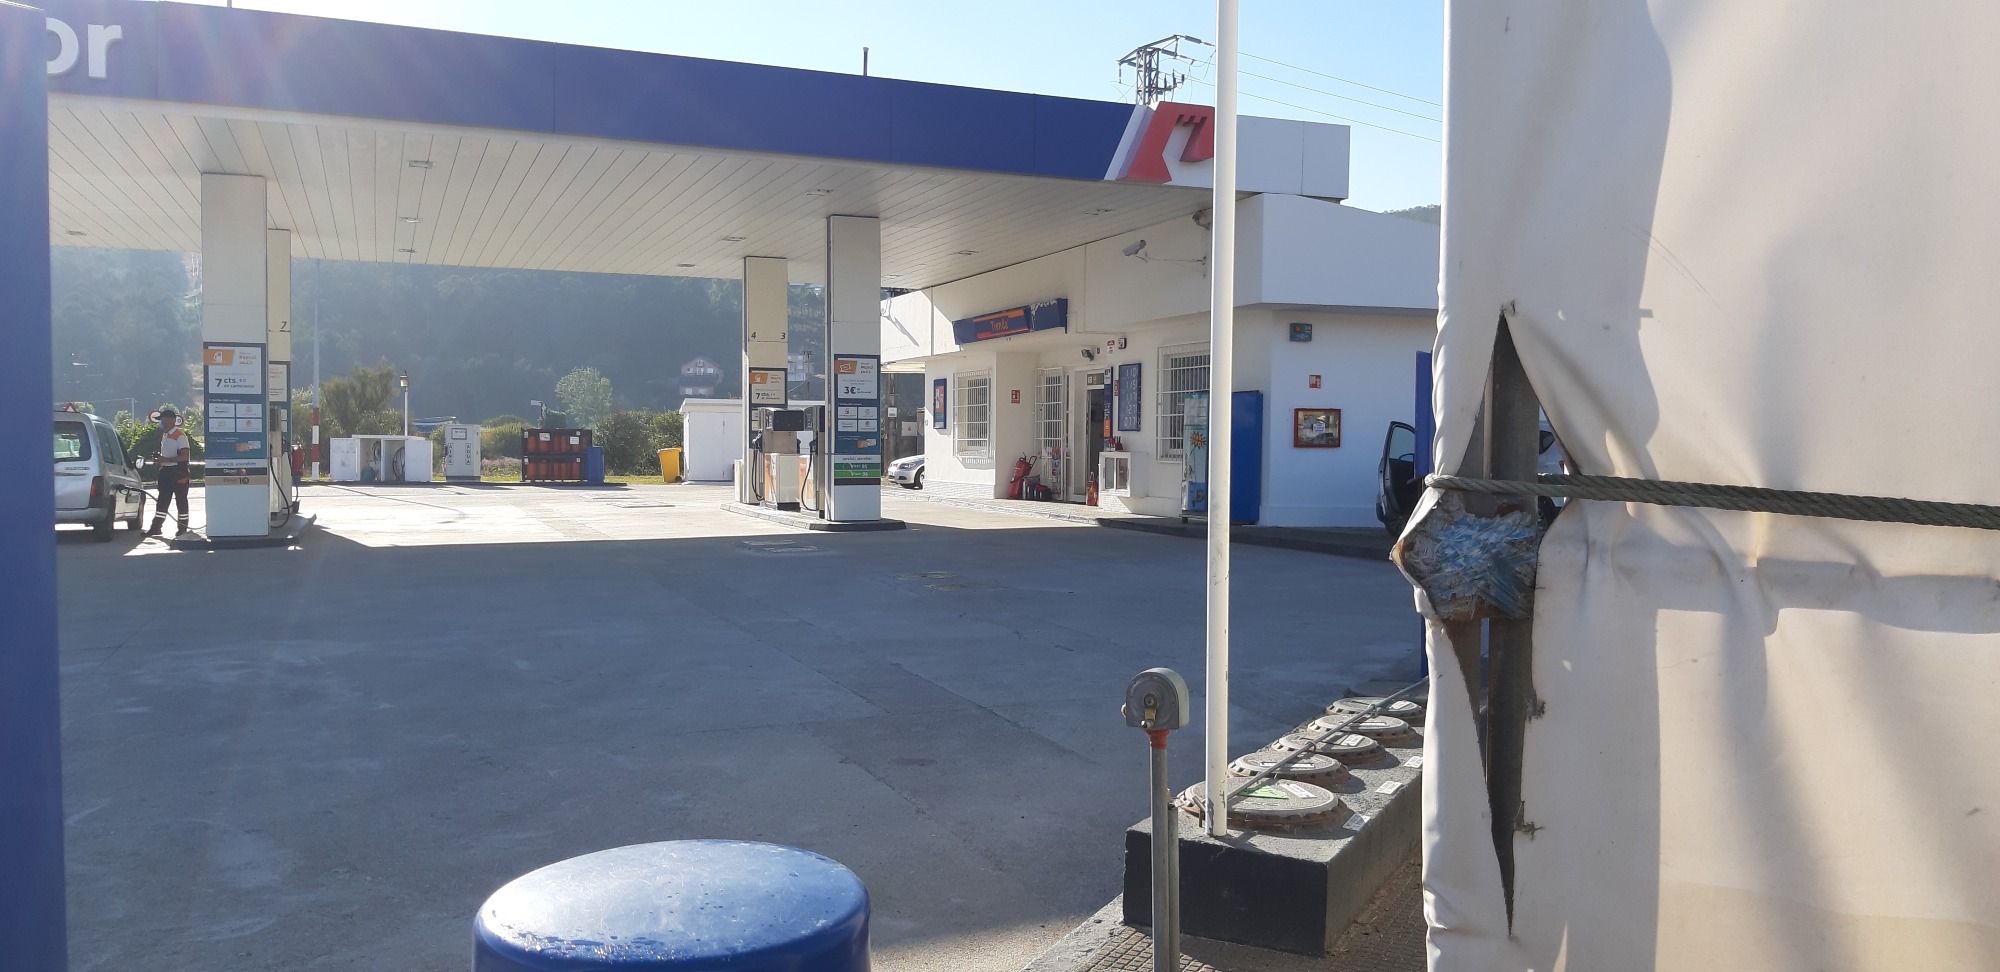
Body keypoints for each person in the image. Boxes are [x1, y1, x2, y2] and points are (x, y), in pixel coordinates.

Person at [145, 407, 191, 537]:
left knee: (181, 500)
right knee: (163, 500)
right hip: (165, 471)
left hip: (178, 472)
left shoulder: (180, 436)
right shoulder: (165, 435)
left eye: (162, 420)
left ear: (171, 420)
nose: (161, 423)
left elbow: (184, 456)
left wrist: (166, 460)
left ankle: (182, 528)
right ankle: (156, 527)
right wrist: (160, 460)